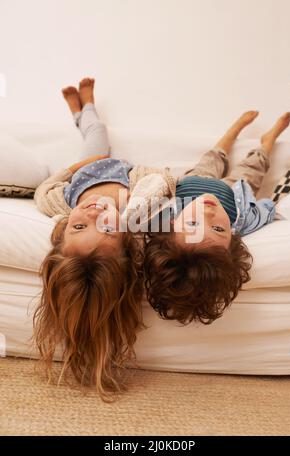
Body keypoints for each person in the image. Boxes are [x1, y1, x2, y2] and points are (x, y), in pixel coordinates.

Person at [33, 78, 175, 401]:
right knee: (99, 136)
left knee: (95, 139)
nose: (94, 215)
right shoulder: (134, 206)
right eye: (108, 229)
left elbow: (42, 192)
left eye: (79, 228)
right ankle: (87, 107)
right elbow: (164, 178)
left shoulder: (62, 207)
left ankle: (82, 111)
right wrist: (132, 204)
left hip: (84, 166)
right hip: (113, 167)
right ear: (127, 237)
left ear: (63, 231)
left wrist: (70, 170)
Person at [143, 111, 290, 325]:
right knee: (253, 169)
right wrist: (271, 209)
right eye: (218, 229)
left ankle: (232, 133)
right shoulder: (241, 220)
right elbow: (265, 210)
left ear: (172, 225)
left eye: (193, 224)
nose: (208, 214)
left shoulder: (161, 214)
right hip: (233, 191)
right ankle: (267, 142)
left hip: (195, 180)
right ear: (232, 235)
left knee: (213, 158)